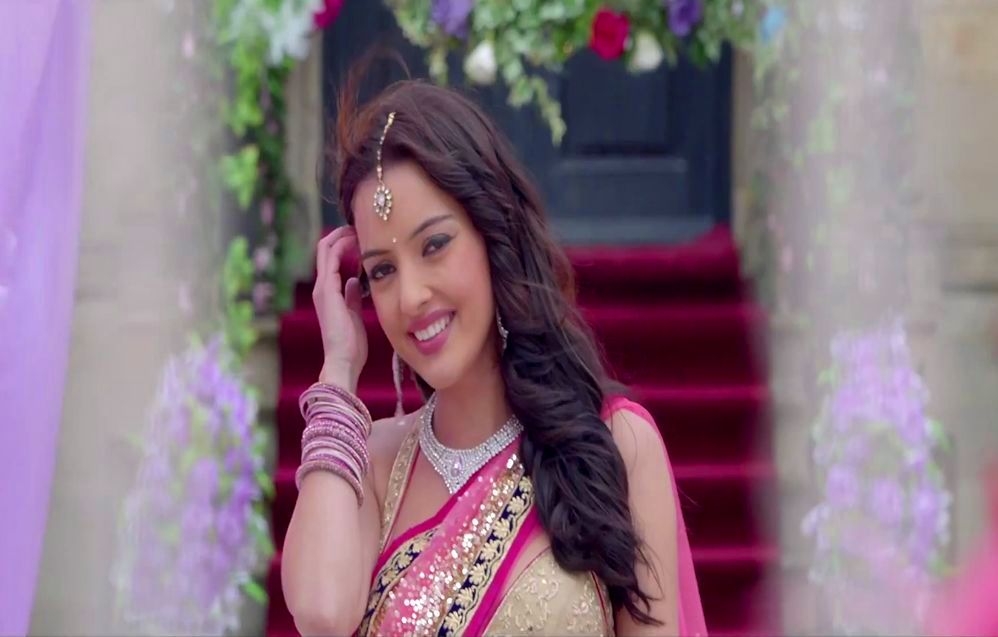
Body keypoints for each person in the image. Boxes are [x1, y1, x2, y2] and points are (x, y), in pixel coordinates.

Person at [280, 71, 706, 636]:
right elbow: (319, 612)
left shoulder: (613, 446)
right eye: (382, 270)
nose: (411, 297)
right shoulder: (375, 465)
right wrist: (338, 368)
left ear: (493, 236)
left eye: (435, 245)